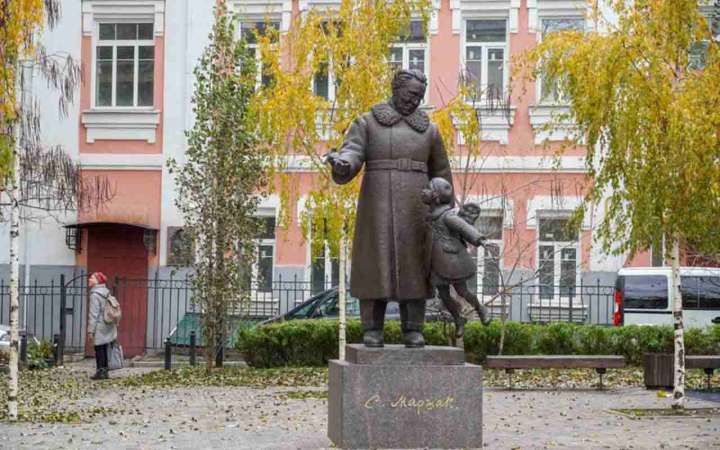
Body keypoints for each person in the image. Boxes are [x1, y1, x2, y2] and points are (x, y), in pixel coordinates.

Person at [325, 69, 453, 348]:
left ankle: (413, 329)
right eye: (410, 95)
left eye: (419, 97)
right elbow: (352, 151)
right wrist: (343, 164)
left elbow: (442, 174)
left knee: (415, 265)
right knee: (375, 263)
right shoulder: (368, 122)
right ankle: (372, 328)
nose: (414, 101)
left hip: (417, 205)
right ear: (396, 89)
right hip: (377, 202)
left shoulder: (429, 130)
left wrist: (445, 209)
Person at [422, 178, 491, 339]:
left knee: (462, 291)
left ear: (436, 195)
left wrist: (480, 239)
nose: (423, 191)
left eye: (428, 188)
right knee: (444, 295)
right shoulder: (430, 216)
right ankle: (458, 319)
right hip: (436, 263)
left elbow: (463, 227)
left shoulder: (447, 216)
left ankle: (480, 308)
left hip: (451, 261)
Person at [87, 272, 117, 380]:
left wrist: (90, 331)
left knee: (99, 348)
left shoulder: (95, 294)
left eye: (92, 278)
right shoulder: (106, 292)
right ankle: (105, 371)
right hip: (107, 323)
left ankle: (100, 372)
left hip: (99, 325)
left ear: (97, 281)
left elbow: (93, 314)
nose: (89, 279)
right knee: (104, 347)